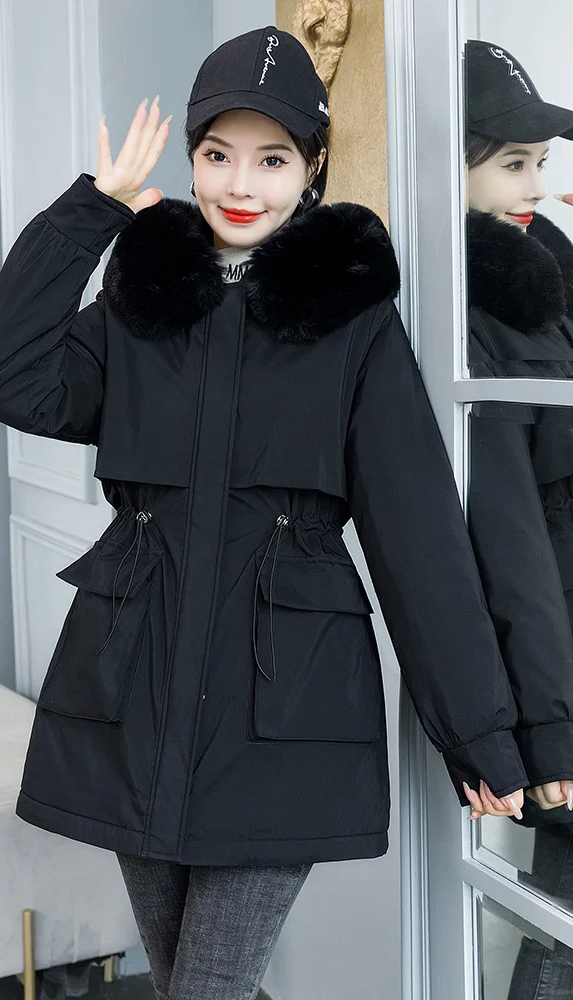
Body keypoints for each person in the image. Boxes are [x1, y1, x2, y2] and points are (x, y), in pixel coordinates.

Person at [0, 26, 527, 1000]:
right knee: (184, 982)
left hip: (282, 716)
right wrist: (91, 211)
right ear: (192, 158)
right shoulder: (139, 302)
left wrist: (479, 733)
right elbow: (1, 374)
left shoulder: (351, 319)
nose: (240, 184)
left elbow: (419, 538)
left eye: (271, 159)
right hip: (134, 697)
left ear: (311, 168)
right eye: (218, 154)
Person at [462, 38, 573, 997]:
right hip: (560, 652)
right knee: (562, 924)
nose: (533, 185)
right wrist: (551, 723)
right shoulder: (474, 313)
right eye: (511, 162)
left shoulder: (546, 281)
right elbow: (509, 535)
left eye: (540, 161)